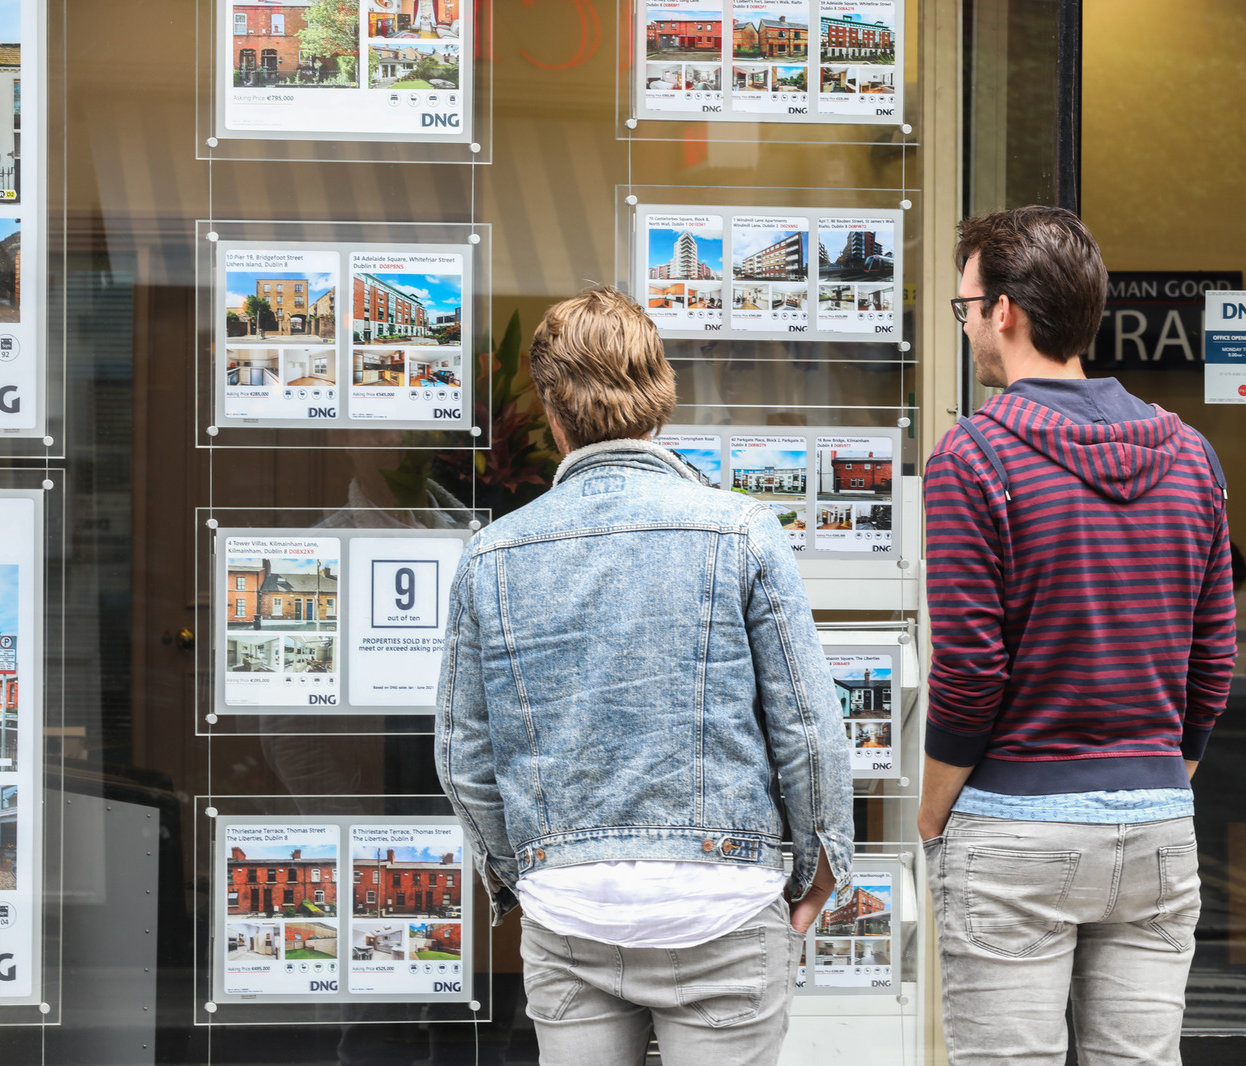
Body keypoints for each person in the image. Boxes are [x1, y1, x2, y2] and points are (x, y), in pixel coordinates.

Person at [434, 287, 854, 1065]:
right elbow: (808, 729)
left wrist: (527, 872)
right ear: (662, 395)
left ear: (552, 411)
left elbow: (464, 758)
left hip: (569, 910)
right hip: (725, 903)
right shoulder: (742, 530)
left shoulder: (489, 556)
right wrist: (819, 865)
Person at [921, 206, 1236, 1065]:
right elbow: (1214, 657)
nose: (967, 325)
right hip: (1158, 825)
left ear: (1004, 313)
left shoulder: (973, 458)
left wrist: (933, 811)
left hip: (1015, 823)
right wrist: (1162, 773)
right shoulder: (1192, 456)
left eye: (965, 307)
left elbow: (970, 670)